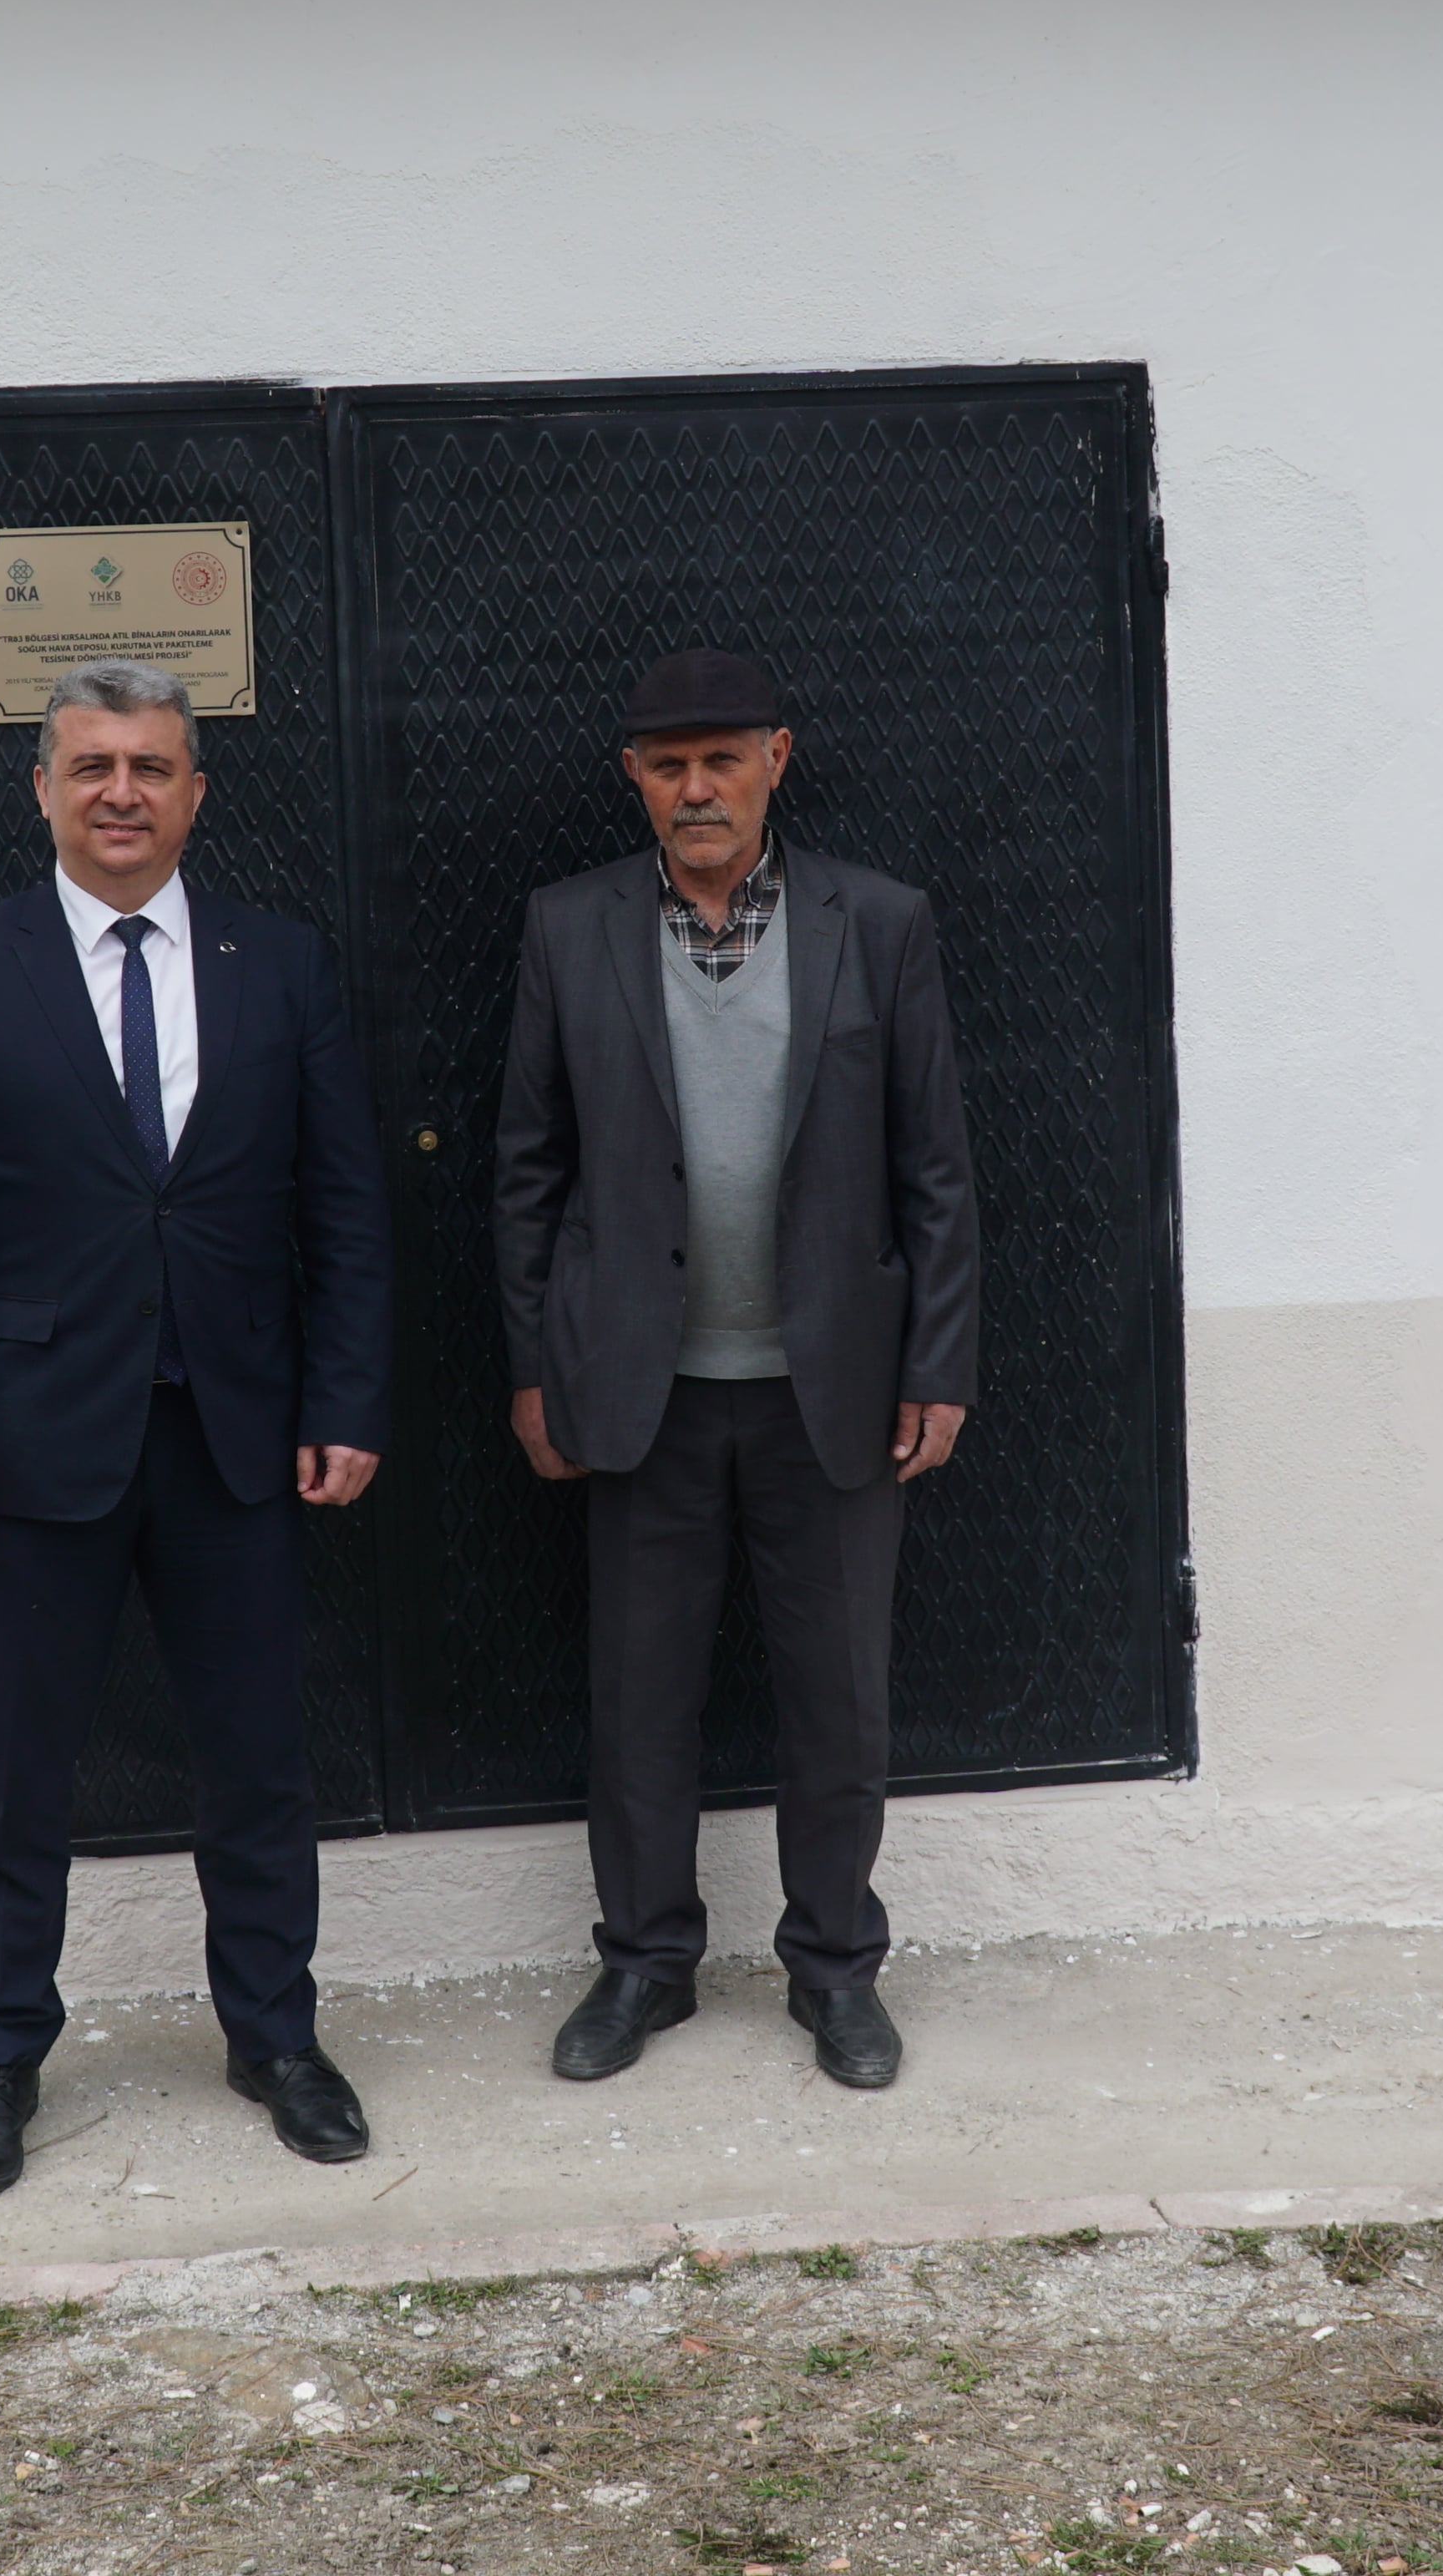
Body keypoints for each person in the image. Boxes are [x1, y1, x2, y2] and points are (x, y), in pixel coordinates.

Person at [0, 658, 392, 2198]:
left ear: (194, 793)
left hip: (238, 1436)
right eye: (91, 765)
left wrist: (346, 1396)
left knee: (259, 1759)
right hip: (32, 1444)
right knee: (15, 1773)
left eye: (150, 767)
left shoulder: (277, 965)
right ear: (42, 788)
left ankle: (276, 2039)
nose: (120, 792)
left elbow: (345, 1210)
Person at [489, 646, 978, 2093]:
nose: (695, 788)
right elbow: (528, 1170)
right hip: (639, 1388)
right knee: (640, 1701)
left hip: (835, 1386)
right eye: (668, 766)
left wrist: (939, 1364)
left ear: (777, 758)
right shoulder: (569, 927)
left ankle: (836, 1969)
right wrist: (537, 1366)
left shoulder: (876, 922)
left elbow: (936, 1171)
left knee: (840, 1700)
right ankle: (646, 1963)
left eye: (721, 760)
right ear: (633, 778)